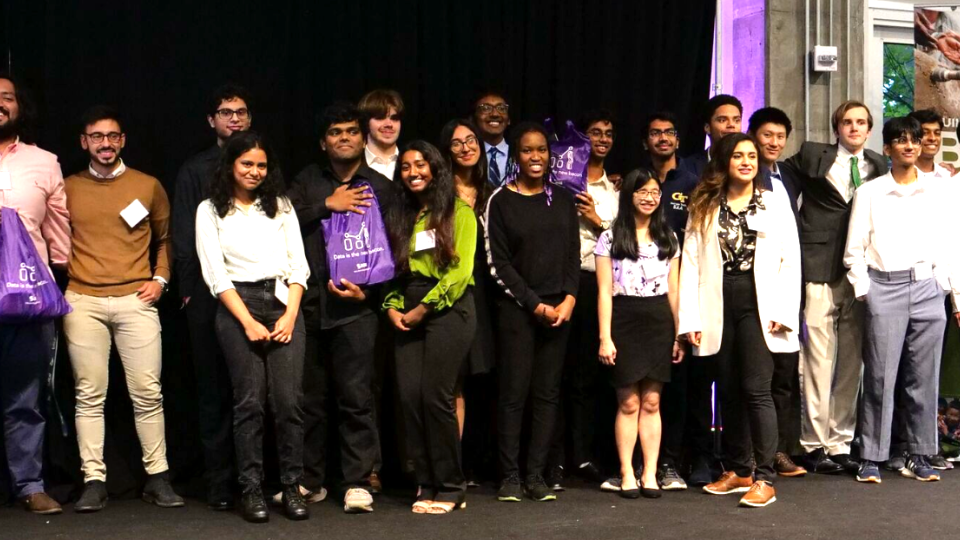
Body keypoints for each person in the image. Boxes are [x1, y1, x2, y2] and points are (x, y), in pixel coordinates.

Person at [64, 105, 182, 512]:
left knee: (148, 393)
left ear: (123, 141)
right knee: (89, 395)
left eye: (113, 136)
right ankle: (94, 480)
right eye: (97, 137)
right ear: (84, 142)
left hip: (137, 300)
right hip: (82, 301)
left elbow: (167, 239)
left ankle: (158, 477)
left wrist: (161, 280)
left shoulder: (147, 185)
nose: (106, 144)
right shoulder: (67, 187)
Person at [678, 133, 801, 508]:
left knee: (756, 389)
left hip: (757, 301)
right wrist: (690, 317)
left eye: (751, 155)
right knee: (727, 387)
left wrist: (783, 310)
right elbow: (692, 260)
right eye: (738, 156)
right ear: (724, 161)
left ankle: (764, 476)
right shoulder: (705, 202)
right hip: (718, 300)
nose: (747, 161)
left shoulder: (773, 199)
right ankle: (738, 469)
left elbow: (789, 258)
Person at [287, 102, 395, 514]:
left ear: (362, 138)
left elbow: (395, 253)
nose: (345, 137)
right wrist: (325, 206)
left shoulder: (381, 188)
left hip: (357, 309)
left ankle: (356, 482)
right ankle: (311, 480)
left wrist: (370, 295)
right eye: (336, 132)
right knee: (309, 400)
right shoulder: (307, 181)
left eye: (351, 131)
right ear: (323, 141)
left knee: (356, 398)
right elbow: (280, 221)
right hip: (310, 306)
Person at [196, 131, 309, 522]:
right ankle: (251, 490)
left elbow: (299, 265)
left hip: (282, 302)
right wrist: (246, 321)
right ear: (230, 165)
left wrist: (291, 314)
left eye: (261, 165)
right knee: (249, 403)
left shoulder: (280, 206)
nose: (254, 171)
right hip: (237, 306)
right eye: (247, 164)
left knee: (289, 402)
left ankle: (292, 487)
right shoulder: (210, 210)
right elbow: (215, 275)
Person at [844, 116, 955, 485]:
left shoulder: (940, 190)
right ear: (888, 147)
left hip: (928, 287)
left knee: (924, 378)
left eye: (915, 139)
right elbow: (854, 251)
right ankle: (871, 455)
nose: (910, 146)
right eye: (901, 140)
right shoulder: (870, 192)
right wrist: (866, 292)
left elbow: (951, 246)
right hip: (884, 287)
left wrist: (950, 293)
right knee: (879, 376)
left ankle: (919, 452)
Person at [785, 101, 888, 475]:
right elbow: (779, 179)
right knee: (816, 357)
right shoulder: (814, 154)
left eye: (861, 122)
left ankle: (841, 442)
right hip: (818, 263)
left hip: (862, 269)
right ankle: (812, 443)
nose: (855, 128)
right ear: (837, 127)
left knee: (851, 361)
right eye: (848, 122)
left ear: (870, 128)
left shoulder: (880, 164)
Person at [485, 122, 579, 502]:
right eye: (527, 150)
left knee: (547, 394)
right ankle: (509, 476)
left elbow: (573, 254)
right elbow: (498, 264)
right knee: (513, 393)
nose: (536, 157)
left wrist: (569, 298)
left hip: (559, 309)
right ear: (517, 156)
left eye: (541, 150)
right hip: (518, 311)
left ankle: (535, 475)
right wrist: (533, 303)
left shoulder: (563, 199)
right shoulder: (501, 201)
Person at [383, 140, 477, 514]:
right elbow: (391, 271)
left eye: (421, 164)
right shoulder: (401, 217)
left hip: (448, 308)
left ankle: (452, 486)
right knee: (409, 397)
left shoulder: (460, 213)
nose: (413, 172)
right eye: (405, 167)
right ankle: (426, 482)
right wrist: (392, 306)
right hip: (407, 305)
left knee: (435, 397)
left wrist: (425, 308)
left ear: (436, 169)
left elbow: (460, 273)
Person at [171, 82, 253, 510]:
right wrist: (188, 292)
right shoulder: (194, 169)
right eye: (225, 112)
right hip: (205, 296)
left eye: (240, 111)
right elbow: (183, 235)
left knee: (252, 390)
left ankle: (254, 479)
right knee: (212, 392)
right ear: (212, 120)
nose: (234, 118)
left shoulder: (261, 164)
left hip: (255, 292)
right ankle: (220, 485)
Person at [0, 73, 69, 515]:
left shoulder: (44, 161)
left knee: (25, 396)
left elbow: (58, 229)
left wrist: (56, 278)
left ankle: (29, 483)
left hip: (27, 298)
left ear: (19, 106)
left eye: (6, 98)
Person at [596, 169, 683, 500]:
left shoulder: (668, 238)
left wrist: (679, 334)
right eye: (642, 191)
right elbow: (604, 291)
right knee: (629, 401)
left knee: (652, 400)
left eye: (655, 192)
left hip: (659, 319)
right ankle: (626, 472)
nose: (650, 197)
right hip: (624, 319)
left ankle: (650, 472)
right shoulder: (611, 238)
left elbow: (674, 290)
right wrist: (605, 336)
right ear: (629, 195)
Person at [548, 109, 619, 489]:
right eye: (595, 132)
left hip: (596, 284)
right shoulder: (557, 180)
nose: (602, 139)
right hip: (558, 282)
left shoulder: (616, 191)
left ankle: (584, 455)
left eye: (608, 133)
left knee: (587, 377)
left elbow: (625, 242)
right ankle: (553, 460)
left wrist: (598, 220)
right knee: (553, 375)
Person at [639, 111, 701, 490]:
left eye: (668, 133)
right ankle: (633, 464)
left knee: (677, 385)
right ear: (646, 141)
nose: (662, 139)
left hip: (681, 293)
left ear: (678, 140)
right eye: (654, 133)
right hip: (638, 297)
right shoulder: (633, 180)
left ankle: (672, 464)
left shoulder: (692, 183)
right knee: (638, 387)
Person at [747, 107, 805, 477]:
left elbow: (792, 246)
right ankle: (748, 456)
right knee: (752, 380)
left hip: (784, 290)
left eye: (780, 136)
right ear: (751, 135)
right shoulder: (730, 178)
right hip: (744, 292)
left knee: (783, 376)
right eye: (766, 135)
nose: (774, 142)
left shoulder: (789, 179)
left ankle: (781, 451)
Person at [438, 118, 495, 485]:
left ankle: (477, 462)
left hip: (488, 294)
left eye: (471, 140)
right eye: (456, 143)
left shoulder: (493, 193)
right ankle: (450, 467)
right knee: (452, 382)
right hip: (450, 291)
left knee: (483, 382)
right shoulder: (438, 196)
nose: (466, 148)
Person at [678, 94, 742, 178]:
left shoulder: (753, 167)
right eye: (722, 120)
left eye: (736, 120)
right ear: (707, 128)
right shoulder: (687, 167)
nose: (731, 125)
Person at [358, 89, 403, 179]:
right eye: (380, 118)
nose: (389, 124)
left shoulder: (410, 163)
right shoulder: (352, 165)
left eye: (394, 118)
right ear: (366, 122)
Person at [471, 90, 510, 186]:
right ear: (473, 119)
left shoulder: (519, 154)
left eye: (501, 108)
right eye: (486, 108)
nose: (495, 114)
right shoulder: (468, 155)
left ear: (509, 119)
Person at [908, 109, 953, 179]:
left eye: (937, 133)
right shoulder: (900, 176)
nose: (932, 138)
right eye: (925, 133)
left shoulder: (948, 175)